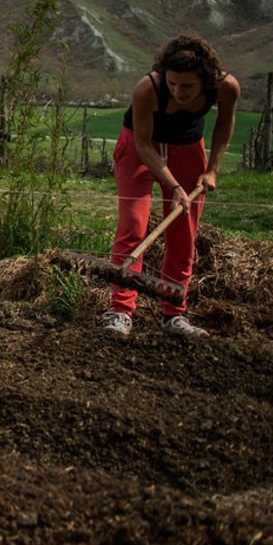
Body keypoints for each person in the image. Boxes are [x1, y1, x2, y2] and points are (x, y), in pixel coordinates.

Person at [100, 36, 239, 338]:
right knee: (133, 226)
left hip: (188, 149)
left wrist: (212, 169)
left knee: (183, 232)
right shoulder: (147, 88)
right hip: (140, 149)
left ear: (205, 79)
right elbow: (143, 145)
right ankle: (121, 312)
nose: (178, 91)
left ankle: (174, 314)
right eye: (173, 84)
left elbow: (225, 123)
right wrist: (174, 185)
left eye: (187, 86)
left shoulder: (226, 86)